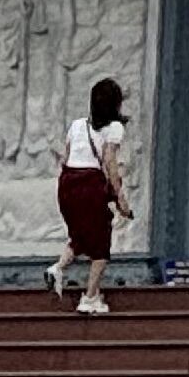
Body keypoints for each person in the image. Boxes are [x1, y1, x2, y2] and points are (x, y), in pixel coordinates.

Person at [50, 75, 130, 317]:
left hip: (66, 185)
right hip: (89, 184)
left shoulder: (76, 125)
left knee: (81, 234)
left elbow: (65, 158)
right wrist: (120, 199)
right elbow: (110, 165)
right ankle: (90, 297)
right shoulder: (114, 129)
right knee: (101, 243)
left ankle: (57, 268)